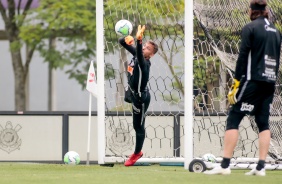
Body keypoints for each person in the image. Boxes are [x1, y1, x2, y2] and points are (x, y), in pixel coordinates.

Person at [204, 0, 281, 176]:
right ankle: (261, 167)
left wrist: (236, 82)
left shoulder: (250, 28)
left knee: (234, 117)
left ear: (251, 11)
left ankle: (224, 166)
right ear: (266, 11)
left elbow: (243, 56)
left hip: (252, 80)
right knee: (263, 122)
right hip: (270, 82)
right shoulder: (277, 32)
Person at [118, 25, 158, 166]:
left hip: (141, 99)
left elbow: (140, 57)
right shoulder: (137, 54)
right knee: (136, 125)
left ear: (151, 55)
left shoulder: (144, 63)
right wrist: (126, 38)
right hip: (133, 94)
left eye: (147, 48)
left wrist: (139, 40)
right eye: (145, 45)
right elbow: (121, 42)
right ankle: (137, 153)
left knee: (138, 126)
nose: (144, 48)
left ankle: (137, 153)